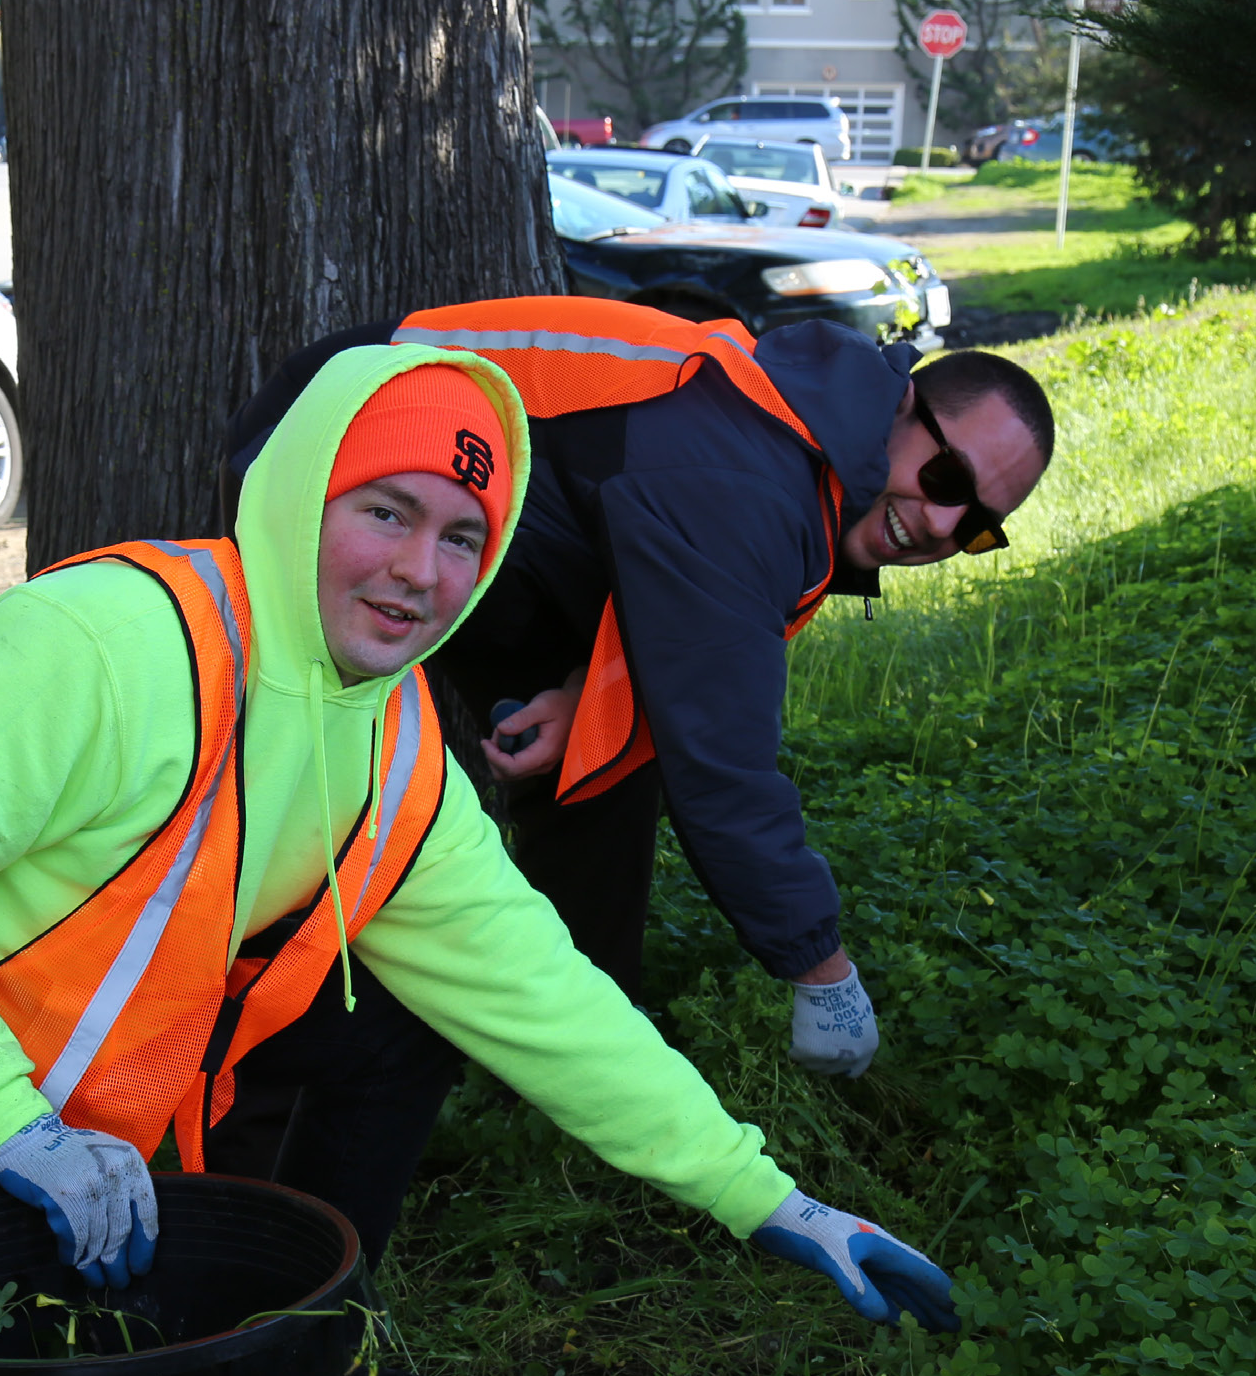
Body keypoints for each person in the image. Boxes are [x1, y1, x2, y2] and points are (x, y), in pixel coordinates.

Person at [0, 343, 960, 1376]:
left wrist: (768, 1196)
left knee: (402, 1019)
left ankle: (301, 1348)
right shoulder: (105, 643)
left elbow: (543, 994)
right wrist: (6, 1123)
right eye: (384, 511)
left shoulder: (395, 743)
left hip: (103, 1110)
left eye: (467, 534)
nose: (420, 570)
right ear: (300, 498)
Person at [226, 297, 1054, 1077]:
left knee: (604, 760)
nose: (941, 527)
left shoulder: (809, 445)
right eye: (946, 479)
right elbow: (723, 763)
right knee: (333, 755)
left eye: (976, 527)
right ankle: (277, 1038)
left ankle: (563, 1052)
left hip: (501, 501)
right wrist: (819, 967)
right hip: (339, 436)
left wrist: (583, 693)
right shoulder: (756, 484)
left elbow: (667, 595)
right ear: (901, 407)